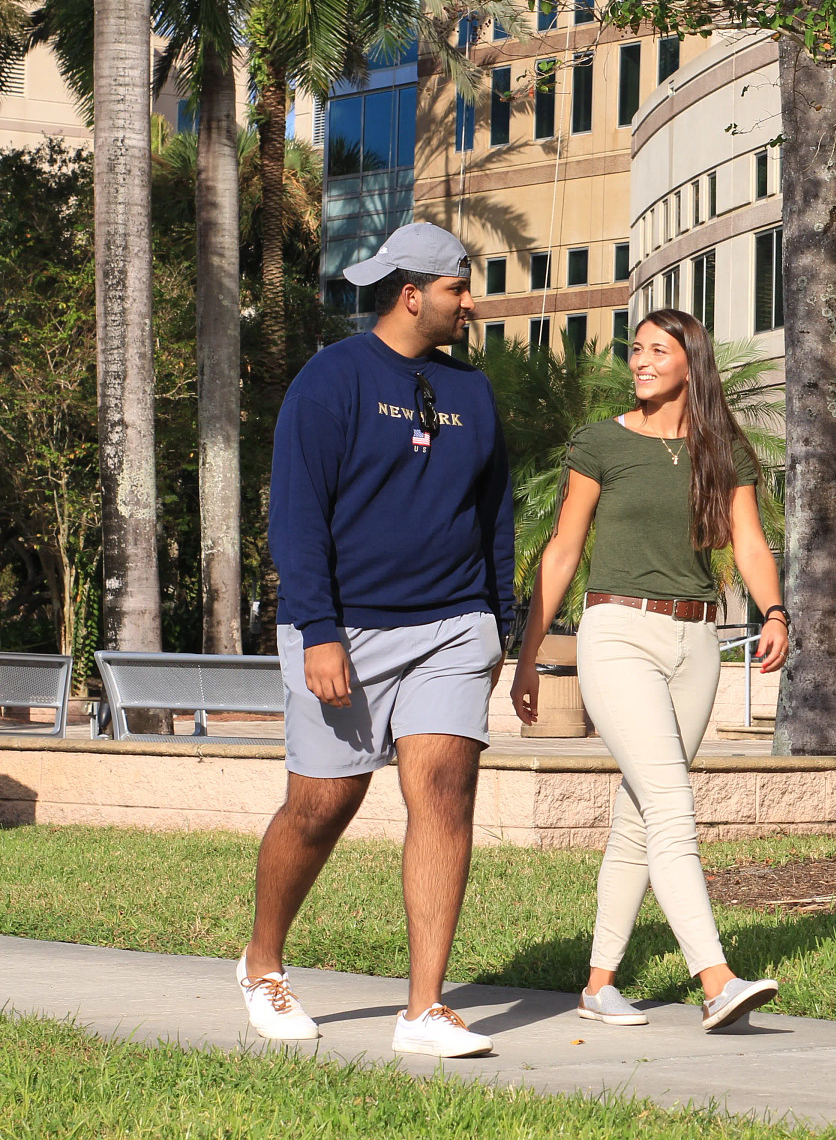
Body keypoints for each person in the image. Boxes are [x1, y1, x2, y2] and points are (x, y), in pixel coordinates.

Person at [243, 222, 513, 1059]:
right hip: (347, 631)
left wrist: (497, 625)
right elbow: (297, 516)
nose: (471, 303)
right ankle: (261, 963)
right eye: (459, 289)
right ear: (413, 294)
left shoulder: (472, 393)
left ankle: (424, 1008)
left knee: (444, 795)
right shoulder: (332, 382)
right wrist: (318, 632)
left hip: (452, 627)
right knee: (323, 804)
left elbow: (493, 516)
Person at [512, 309, 788, 1033]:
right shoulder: (601, 442)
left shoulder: (722, 449)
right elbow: (563, 552)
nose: (638, 361)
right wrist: (531, 653)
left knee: (641, 814)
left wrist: (775, 611)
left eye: (656, 351)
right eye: (635, 349)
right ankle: (717, 979)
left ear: (689, 364)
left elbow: (751, 545)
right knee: (671, 807)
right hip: (618, 633)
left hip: (696, 643)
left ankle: (599, 984)